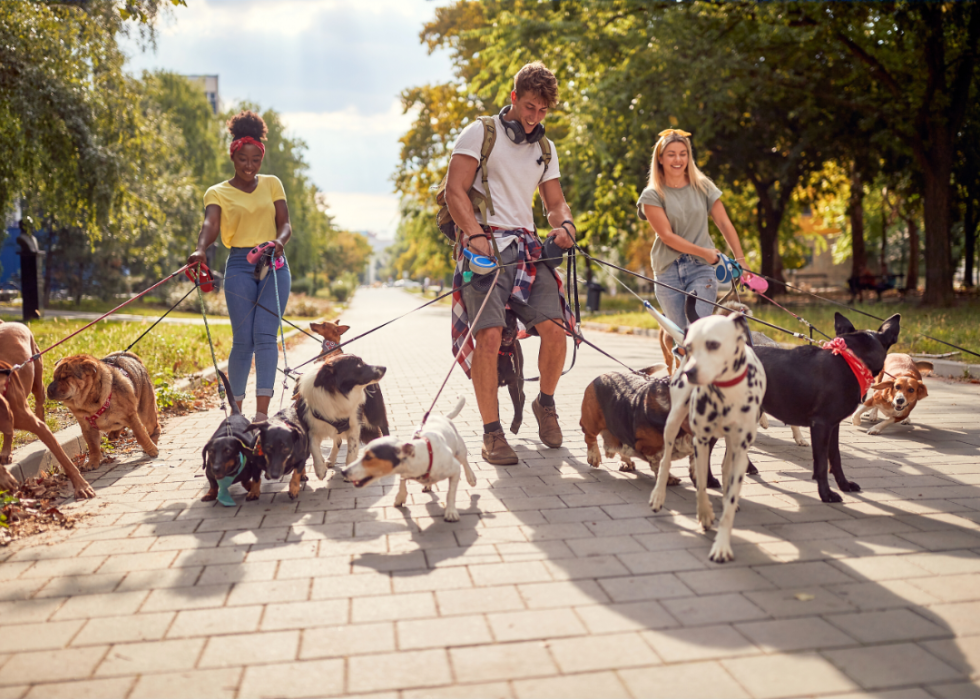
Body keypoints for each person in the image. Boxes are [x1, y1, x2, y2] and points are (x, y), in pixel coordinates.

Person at [446, 62, 577, 465]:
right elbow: (455, 192)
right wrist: (476, 235)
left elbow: (554, 205)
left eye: (543, 112)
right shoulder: (480, 133)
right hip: (484, 251)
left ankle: (546, 404)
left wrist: (566, 225)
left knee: (556, 331)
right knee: (487, 338)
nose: (536, 118)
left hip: (528, 251)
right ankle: (492, 434)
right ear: (514, 97)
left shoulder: (545, 149)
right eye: (531, 108)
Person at [187, 110, 292, 422]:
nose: (249, 166)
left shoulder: (273, 184)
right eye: (243, 159)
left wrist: (279, 243)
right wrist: (200, 249)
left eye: (255, 160)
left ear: (261, 158)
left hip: (273, 263)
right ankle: (236, 412)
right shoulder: (217, 191)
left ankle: (261, 415)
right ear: (233, 156)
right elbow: (210, 223)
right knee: (243, 340)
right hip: (239, 266)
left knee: (265, 337)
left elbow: (285, 225)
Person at [637, 129, 747, 329]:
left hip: (701, 269)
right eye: (671, 154)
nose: (678, 159)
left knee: (697, 332)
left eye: (683, 154)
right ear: (660, 159)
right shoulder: (651, 195)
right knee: (682, 339)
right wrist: (704, 251)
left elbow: (724, 223)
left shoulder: (703, 187)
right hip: (667, 270)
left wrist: (741, 261)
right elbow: (667, 236)